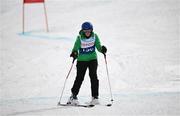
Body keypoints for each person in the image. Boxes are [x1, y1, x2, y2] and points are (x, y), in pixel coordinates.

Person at [67, 22, 107, 105]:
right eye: (85, 31)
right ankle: (73, 96)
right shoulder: (79, 38)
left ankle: (95, 97)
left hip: (92, 59)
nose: (87, 33)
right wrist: (74, 53)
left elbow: (98, 47)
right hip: (82, 60)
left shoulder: (95, 36)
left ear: (91, 30)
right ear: (83, 31)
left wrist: (102, 49)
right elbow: (75, 48)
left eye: (89, 31)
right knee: (80, 78)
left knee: (93, 76)